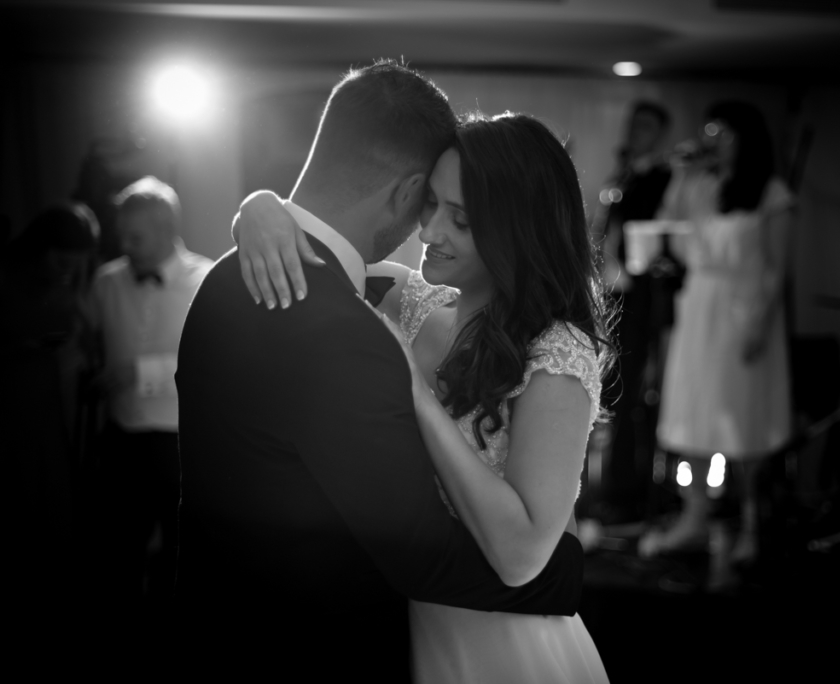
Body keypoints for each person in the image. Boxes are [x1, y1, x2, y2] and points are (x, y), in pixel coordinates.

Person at [175, 63, 587, 678]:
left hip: (490, 642)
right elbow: (421, 558)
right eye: (430, 205)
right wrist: (258, 208)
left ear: (516, 230)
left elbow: (518, 542)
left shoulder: (222, 281)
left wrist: (417, 391)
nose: (428, 231)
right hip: (382, 623)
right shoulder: (396, 304)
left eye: (459, 218)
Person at [638, 101, 793, 567]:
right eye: (710, 132)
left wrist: (761, 325)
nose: (714, 141)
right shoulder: (702, 185)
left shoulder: (771, 193)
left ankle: (749, 524)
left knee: (743, 421)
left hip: (743, 311)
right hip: (699, 308)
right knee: (696, 416)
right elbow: (670, 230)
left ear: (744, 137)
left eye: (722, 133)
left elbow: (777, 267)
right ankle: (696, 518)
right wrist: (683, 176)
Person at [89, 176, 213, 608]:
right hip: (121, 438)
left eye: (134, 235)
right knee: (118, 551)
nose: (124, 243)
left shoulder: (206, 280)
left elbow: (211, 362)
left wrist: (138, 373)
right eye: (120, 232)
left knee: (180, 554)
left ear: (166, 230)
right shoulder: (105, 282)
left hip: (179, 441)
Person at [0, 202, 99, 614]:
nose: (67, 268)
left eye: (75, 263)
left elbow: (78, 328)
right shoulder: (8, 275)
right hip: (13, 393)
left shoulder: (66, 278)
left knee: (56, 490)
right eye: (61, 259)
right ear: (41, 248)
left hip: (46, 391)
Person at [596, 101, 678, 523]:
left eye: (646, 126)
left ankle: (633, 489)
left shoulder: (664, 179)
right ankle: (611, 483)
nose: (636, 132)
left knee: (634, 392)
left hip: (644, 299)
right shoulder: (622, 176)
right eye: (634, 124)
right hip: (616, 295)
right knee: (613, 389)